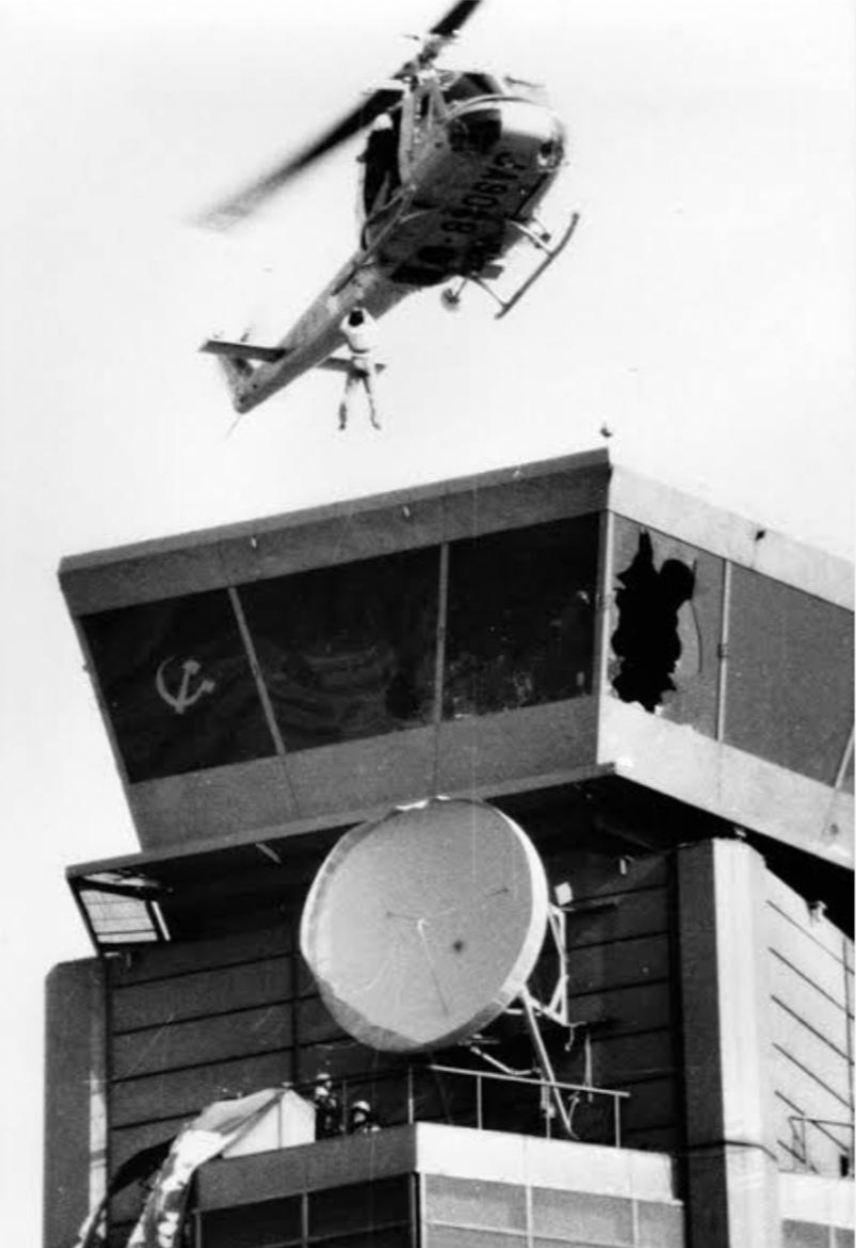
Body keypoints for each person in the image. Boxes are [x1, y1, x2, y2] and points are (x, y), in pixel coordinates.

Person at [339, 307, 381, 431]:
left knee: (349, 394)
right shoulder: (370, 328)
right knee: (372, 395)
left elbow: (342, 324)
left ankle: (343, 421)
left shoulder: (348, 329)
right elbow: (371, 320)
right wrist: (365, 312)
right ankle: (376, 420)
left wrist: (348, 313)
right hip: (368, 361)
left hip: (355, 361)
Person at [312, 1073, 342, 1139]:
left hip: (332, 1126)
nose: (330, 1083)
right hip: (324, 1128)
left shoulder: (333, 1096)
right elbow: (325, 1107)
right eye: (328, 1081)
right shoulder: (320, 1093)